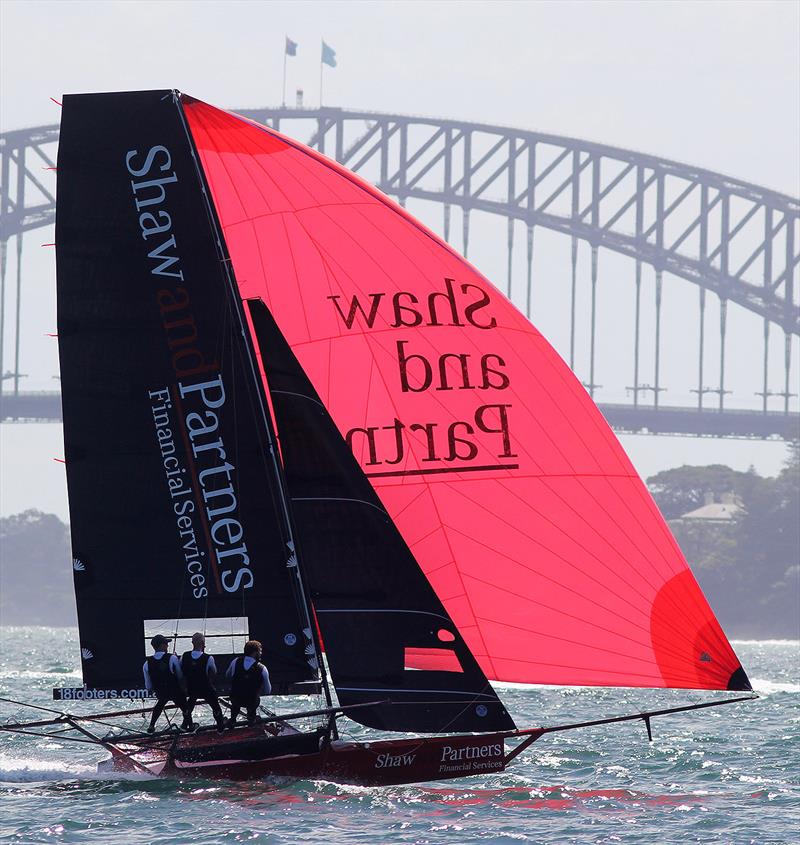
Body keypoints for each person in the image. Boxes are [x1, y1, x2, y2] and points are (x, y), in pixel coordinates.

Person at [142, 634, 191, 733]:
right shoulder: (172, 658)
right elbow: (180, 675)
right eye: (166, 644)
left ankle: (152, 725)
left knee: (160, 704)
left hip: (161, 692)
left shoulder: (147, 663)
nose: (167, 646)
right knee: (185, 707)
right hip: (175, 691)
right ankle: (190, 726)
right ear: (161, 645)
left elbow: (148, 686)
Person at [181, 632, 225, 732]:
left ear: (192, 643)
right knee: (215, 706)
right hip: (206, 688)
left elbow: (181, 671)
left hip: (191, 689)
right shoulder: (208, 658)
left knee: (190, 704)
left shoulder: (185, 656)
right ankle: (220, 727)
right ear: (202, 643)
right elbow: (214, 672)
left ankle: (185, 724)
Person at [225, 639, 271, 728]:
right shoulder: (262, 668)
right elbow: (268, 690)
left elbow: (228, 675)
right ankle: (251, 720)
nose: (261, 654)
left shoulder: (236, 661)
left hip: (235, 698)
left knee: (235, 701)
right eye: (260, 651)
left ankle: (232, 719)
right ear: (255, 652)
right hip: (251, 700)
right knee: (253, 701)